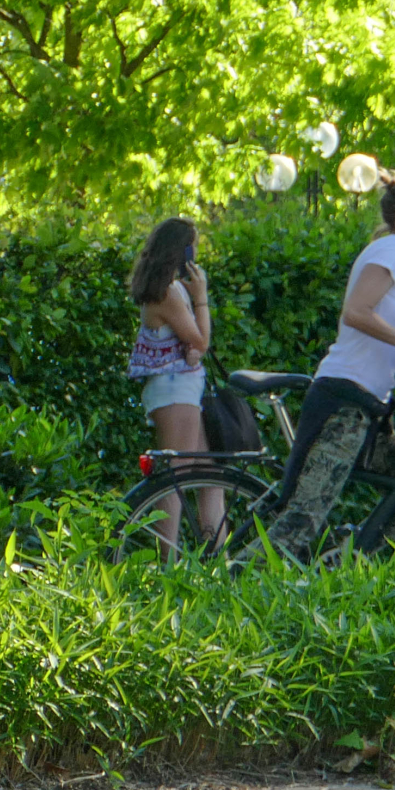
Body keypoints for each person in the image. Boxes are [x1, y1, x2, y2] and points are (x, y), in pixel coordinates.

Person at [268, 174, 395, 561]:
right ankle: (230, 584)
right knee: (300, 521)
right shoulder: (391, 250)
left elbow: (383, 317)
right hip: (344, 400)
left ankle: (340, 573)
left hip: (369, 406)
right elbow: (357, 313)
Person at [126, 217, 219, 548]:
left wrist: (193, 347)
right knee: (175, 477)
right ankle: (168, 562)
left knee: (211, 470)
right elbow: (200, 343)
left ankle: (216, 553)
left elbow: (194, 347)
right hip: (174, 389)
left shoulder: (172, 289)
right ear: (184, 249)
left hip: (184, 386)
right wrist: (202, 298)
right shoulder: (165, 292)